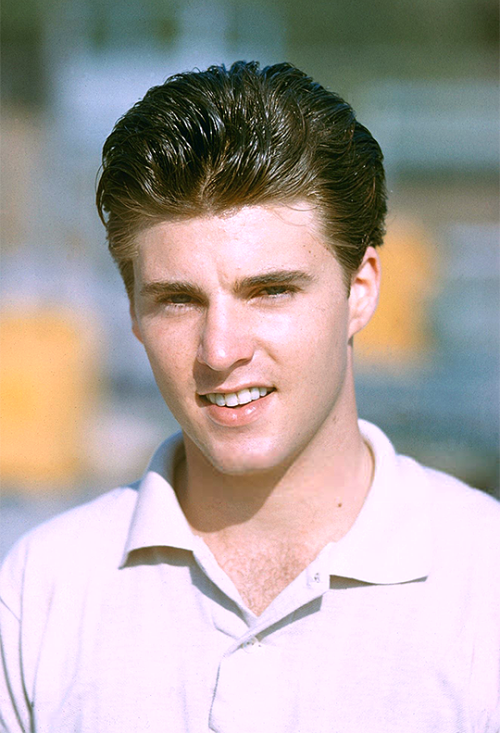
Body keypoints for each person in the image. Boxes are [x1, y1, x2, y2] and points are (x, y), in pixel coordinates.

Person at [0, 61, 499, 733]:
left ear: (362, 289)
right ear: (132, 312)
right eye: (178, 300)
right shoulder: (42, 592)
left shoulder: (484, 582)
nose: (220, 349)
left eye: (270, 290)